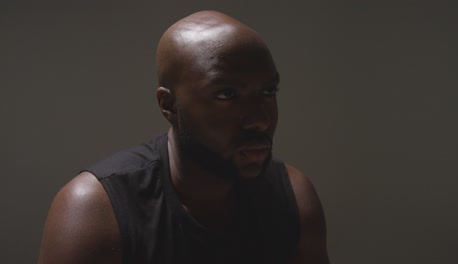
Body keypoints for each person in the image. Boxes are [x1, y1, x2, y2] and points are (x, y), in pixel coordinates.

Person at [38, 10, 330, 264]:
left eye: (267, 92)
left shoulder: (292, 197)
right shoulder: (95, 210)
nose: (259, 119)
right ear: (168, 105)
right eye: (226, 94)